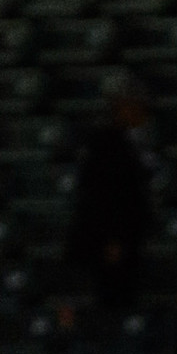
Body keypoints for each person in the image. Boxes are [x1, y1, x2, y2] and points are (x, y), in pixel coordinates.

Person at [67, 95, 152, 309]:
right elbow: (103, 196)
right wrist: (111, 239)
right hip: (108, 241)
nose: (141, 113)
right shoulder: (107, 144)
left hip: (123, 238)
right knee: (111, 299)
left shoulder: (126, 141)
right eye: (134, 107)